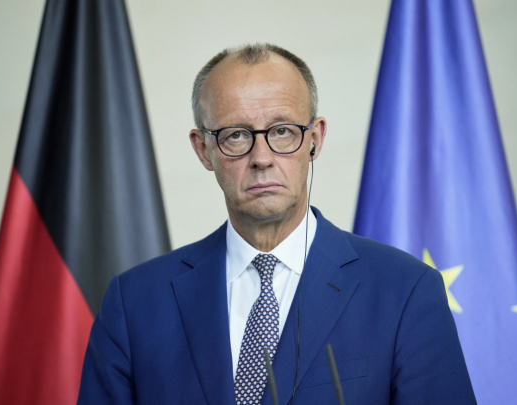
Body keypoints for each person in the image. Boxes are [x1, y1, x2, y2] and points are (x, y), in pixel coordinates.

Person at [78, 43, 476, 404]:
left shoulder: (405, 291)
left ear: (315, 138)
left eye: (282, 131)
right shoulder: (135, 303)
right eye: (236, 135)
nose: (262, 158)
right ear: (203, 150)